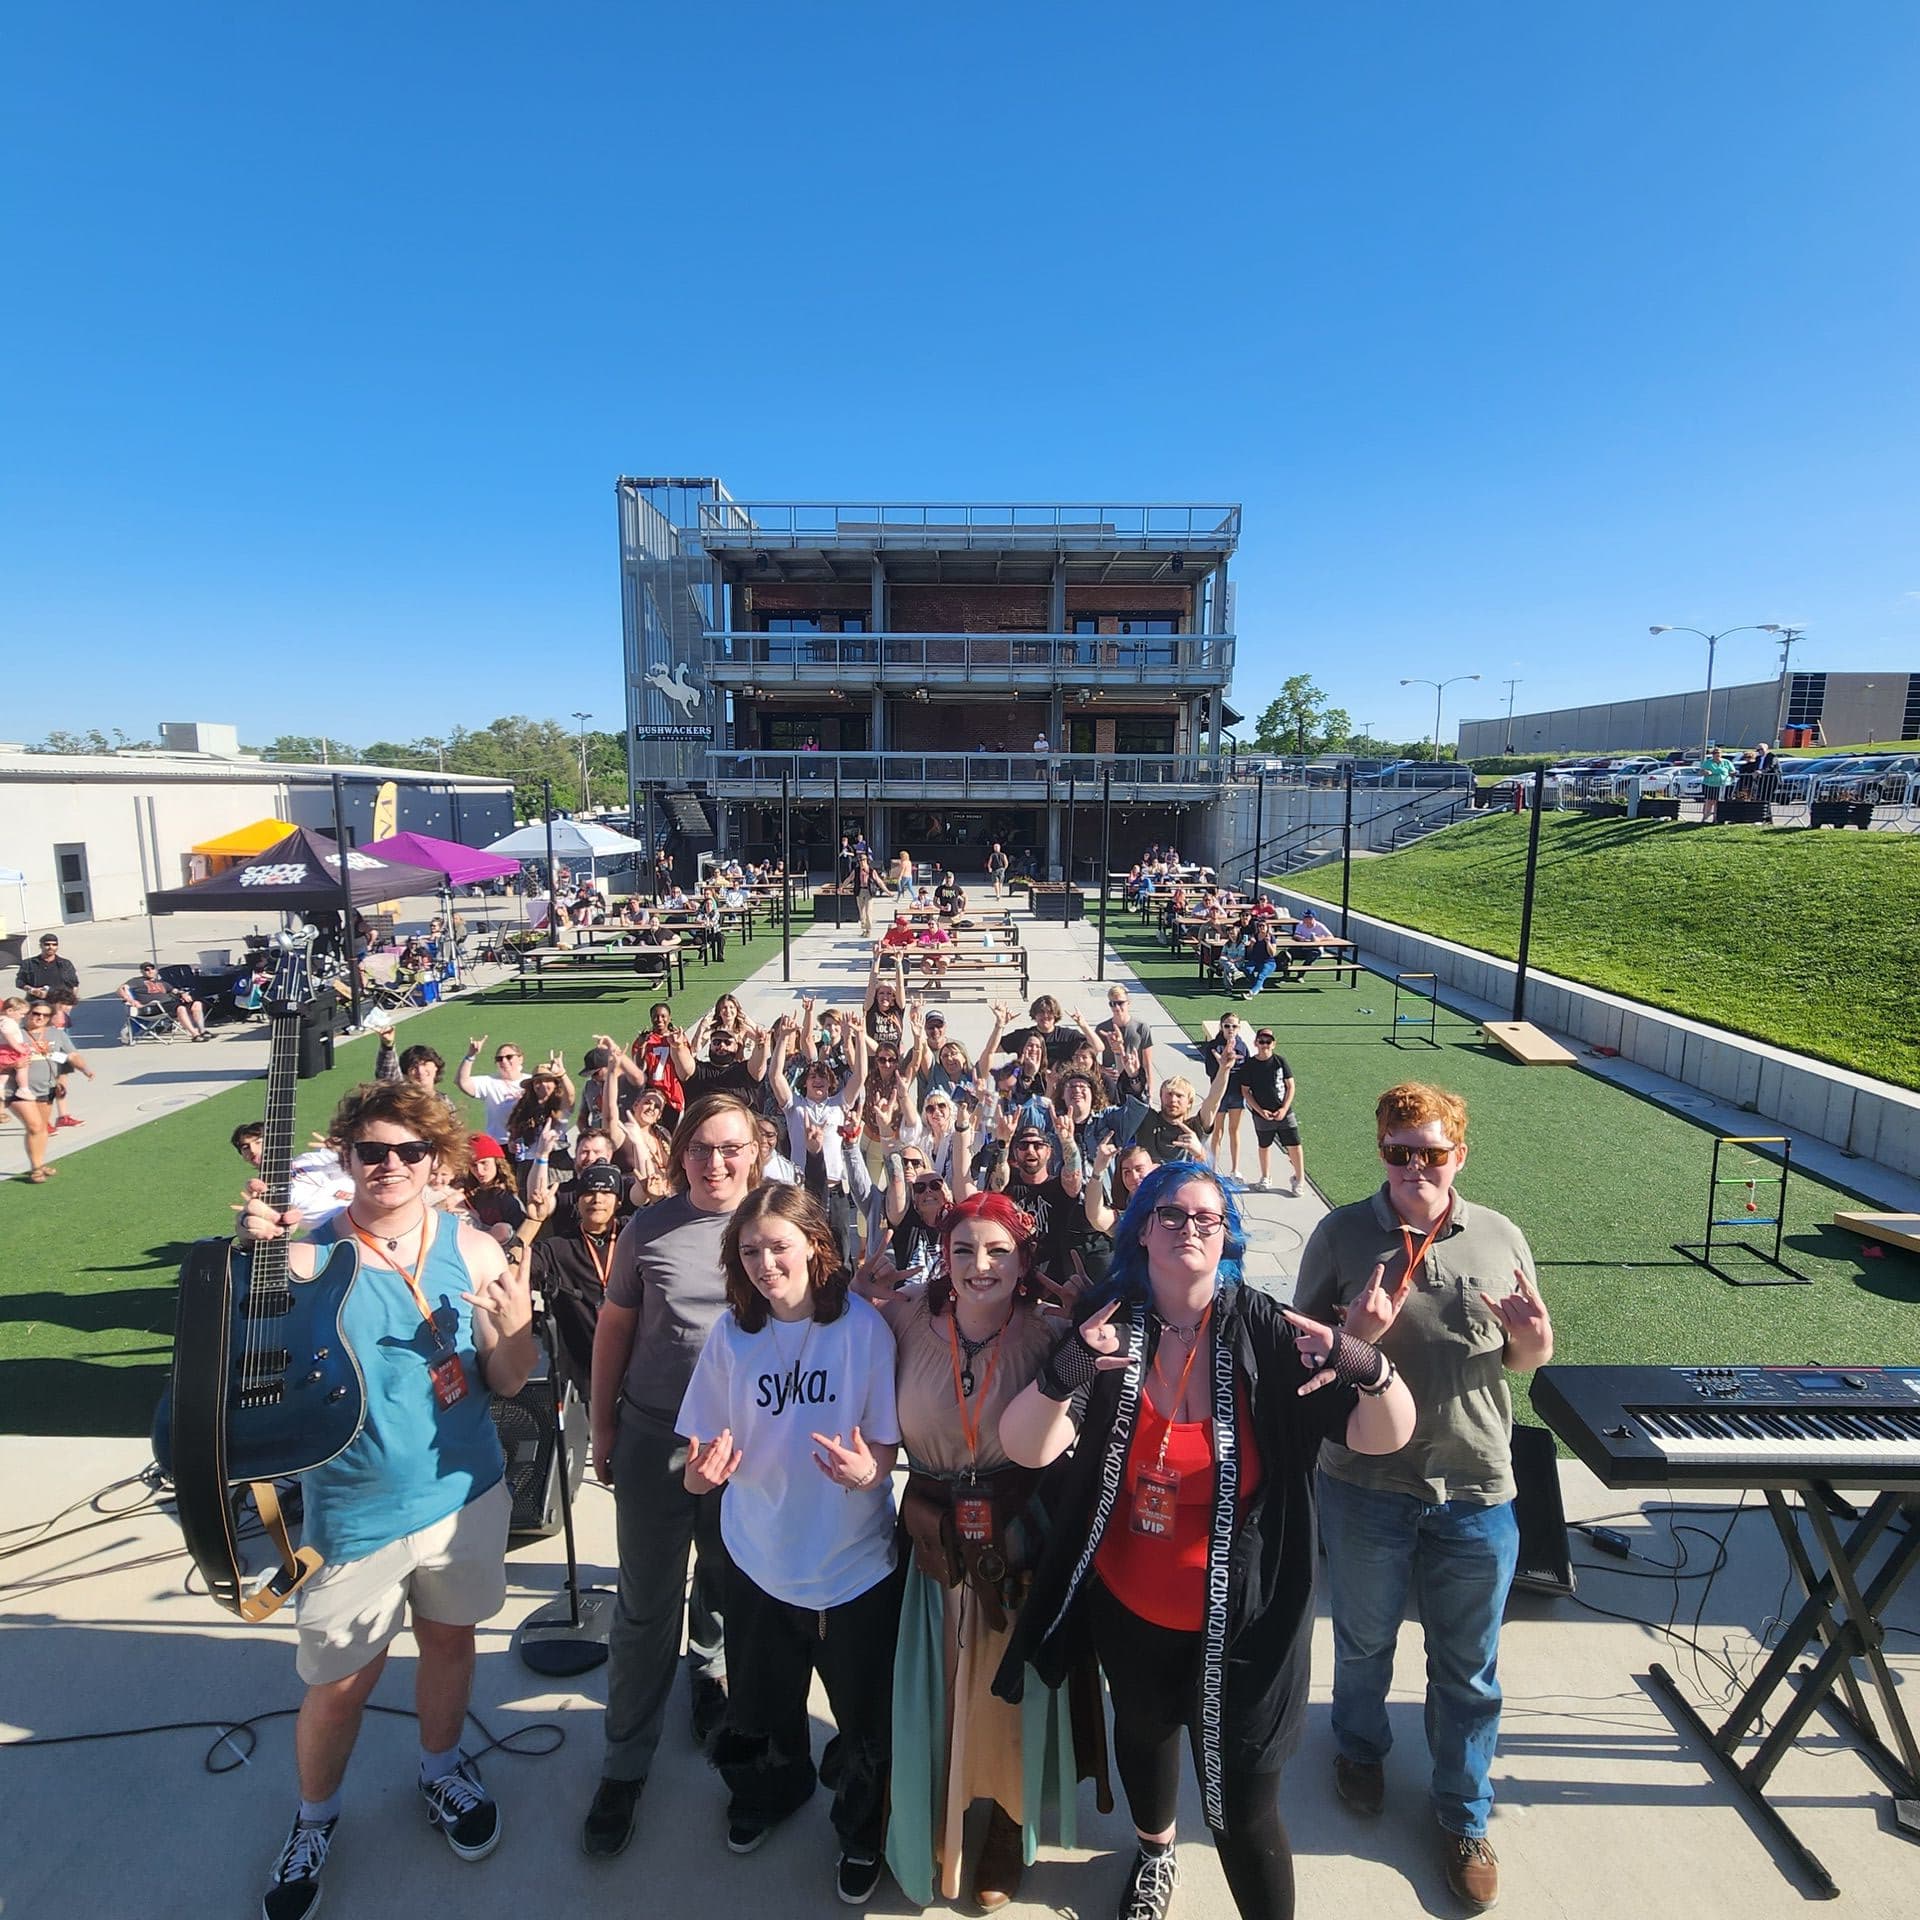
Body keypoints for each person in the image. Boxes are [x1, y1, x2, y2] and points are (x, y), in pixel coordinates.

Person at [996, 1162, 1414, 1920]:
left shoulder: (1264, 1330)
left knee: (1246, 1808)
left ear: (1227, 1236)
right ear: (1143, 1229)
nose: (1189, 1229)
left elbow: (1381, 1436)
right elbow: (1026, 1446)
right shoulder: (1109, 1327)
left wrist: (1367, 1364)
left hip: (1248, 1628)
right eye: (1172, 1215)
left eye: (1207, 1218)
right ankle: (1155, 1854)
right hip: (1131, 1609)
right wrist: (1067, 1370)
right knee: (1145, 1738)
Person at [237, 1081, 535, 1920]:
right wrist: (248, 1256)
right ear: (348, 1158)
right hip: (354, 1512)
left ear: (436, 1160)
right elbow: (251, 1365)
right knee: (338, 1685)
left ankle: (441, 1772)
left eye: (410, 1151)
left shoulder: (474, 1251)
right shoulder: (306, 1259)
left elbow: (508, 1382)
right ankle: (314, 1819)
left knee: (448, 1645)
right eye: (373, 1151)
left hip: (464, 1494)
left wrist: (513, 1327)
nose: (391, 1166)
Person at [1291, 1083, 1553, 1914]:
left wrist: (1535, 1348)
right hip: (1366, 1487)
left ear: (1459, 1155)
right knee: (1364, 1644)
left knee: (1468, 1667)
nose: (1412, 1167)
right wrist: (1356, 1339)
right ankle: (1360, 1748)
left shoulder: (1499, 1236)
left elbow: (1520, 1358)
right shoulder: (1340, 1235)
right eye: (1397, 1152)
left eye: (1429, 1152)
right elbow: (1295, 1363)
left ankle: (1462, 1813)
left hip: (1477, 1487)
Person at [866, 1192, 1104, 1908]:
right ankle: (928, 1815)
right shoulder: (904, 1317)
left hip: (1016, 1533)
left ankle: (1005, 1824)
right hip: (931, 1532)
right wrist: (851, 1296)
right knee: (929, 1686)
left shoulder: (1050, 1332)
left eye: (999, 1251)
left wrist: (1100, 1305)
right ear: (943, 1255)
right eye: (964, 1249)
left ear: (1024, 1259)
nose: (980, 1265)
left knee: (1007, 1695)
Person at [678, 1183, 903, 1905]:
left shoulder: (863, 1330)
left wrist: (869, 1470)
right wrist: (699, 1477)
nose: (766, 1262)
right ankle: (769, 1793)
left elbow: (886, 1450)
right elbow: (698, 1452)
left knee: (865, 1719)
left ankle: (861, 1830)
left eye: (779, 1245)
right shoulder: (730, 1336)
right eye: (750, 1250)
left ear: (815, 1244)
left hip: (853, 1567)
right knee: (761, 1704)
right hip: (759, 1560)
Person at [582, 1093, 767, 1859]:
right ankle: (626, 1764)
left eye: (730, 1149)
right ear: (677, 1153)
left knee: (729, 1587)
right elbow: (616, 1328)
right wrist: (601, 1424)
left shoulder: (780, 1223)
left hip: (752, 1446)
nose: (715, 1163)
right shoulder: (648, 1229)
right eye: (700, 1148)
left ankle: (712, 1681)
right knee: (646, 1604)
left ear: (755, 1150)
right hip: (658, 1436)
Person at [6, 1001, 95, 1179]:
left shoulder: (56, 1034)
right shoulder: (14, 1033)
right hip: (17, 1090)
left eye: (45, 1015)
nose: (40, 1018)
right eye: (36, 1013)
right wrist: (13, 1064)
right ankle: (36, 1170)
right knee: (35, 1126)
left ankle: (38, 1163)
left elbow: (70, 1055)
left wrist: (85, 1069)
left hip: (46, 1087)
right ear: (28, 1014)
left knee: (42, 1129)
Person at [1233, 1029, 1303, 1195]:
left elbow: (1290, 1086)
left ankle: (1299, 1179)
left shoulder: (1280, 1061)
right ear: (1256, 1043)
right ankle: (1266, 1176)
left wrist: (1284, 1108)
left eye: (1268, 1041)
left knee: (1294, 1145)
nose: (1265, 1045)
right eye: (1261, 1041)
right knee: (1264, 1145)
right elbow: (1245, 1091)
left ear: (1273, 1044)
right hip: (1262, 1114)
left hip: (1284, 1112)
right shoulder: (1250, 1065)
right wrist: (1259, 1110)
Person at [1200, 1013, 1251, 1179]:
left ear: (1239, 1028)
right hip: (1219, 1094)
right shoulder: (1214, 1047)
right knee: (1217, 1132)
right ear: (1221, 1027)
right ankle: (1213, 1169)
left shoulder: (1242, 1046)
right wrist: (1224, 1066)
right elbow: (1209, 1070)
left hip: (1237, 1093)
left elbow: (1247, 1069)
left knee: (1234, 1130)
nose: (1230, 1029)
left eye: (1234, 1026)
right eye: (1227, 1026)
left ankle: (1235, 1169)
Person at [455, 1036, 527, 1143]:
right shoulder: (490, 1082)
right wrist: (471, 1055)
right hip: (500, 1143)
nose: (504, 1061)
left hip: (529, 1143)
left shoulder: (532, 1081)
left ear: (520, 1059)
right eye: (499, 1059)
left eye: (509, 1057)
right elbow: (462, 1082)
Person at [121, 960, 210, 1040]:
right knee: (180, 1008)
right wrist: (131, 1000)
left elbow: (174, 990)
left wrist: (183, 994)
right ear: (142, 972)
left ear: (155, 970)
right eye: (146, 970)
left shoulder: (162, 982)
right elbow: (121, 989)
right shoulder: (137, 981)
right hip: (153, 1007)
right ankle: (194, 1034)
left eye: (152, 969)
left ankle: (202, 1031)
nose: (150, 971)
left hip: (170, 1005)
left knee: (197, 1004)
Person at [1096, 986, 1155, 1104]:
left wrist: (1150, 1091)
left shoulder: (1141, 1028)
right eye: (1112, 1004)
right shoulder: (1102, 1029)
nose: (1116, 1007)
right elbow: (1090, 1057)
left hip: (1134, 1081)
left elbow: (1147, 1063)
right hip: (1111, 1083)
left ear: (1128, 1003)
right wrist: (1102, 1069)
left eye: (1120, 1003)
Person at [16, 932, 80, 1004]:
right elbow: (20, 982)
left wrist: (72, 1001)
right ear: (41, 946)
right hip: (36, 1003)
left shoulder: (65, 964)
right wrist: (32, 990)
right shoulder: (28, 963)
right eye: (47, 944)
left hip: (59, 1002)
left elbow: (74, 984)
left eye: (54, 945)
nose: (51, 947)